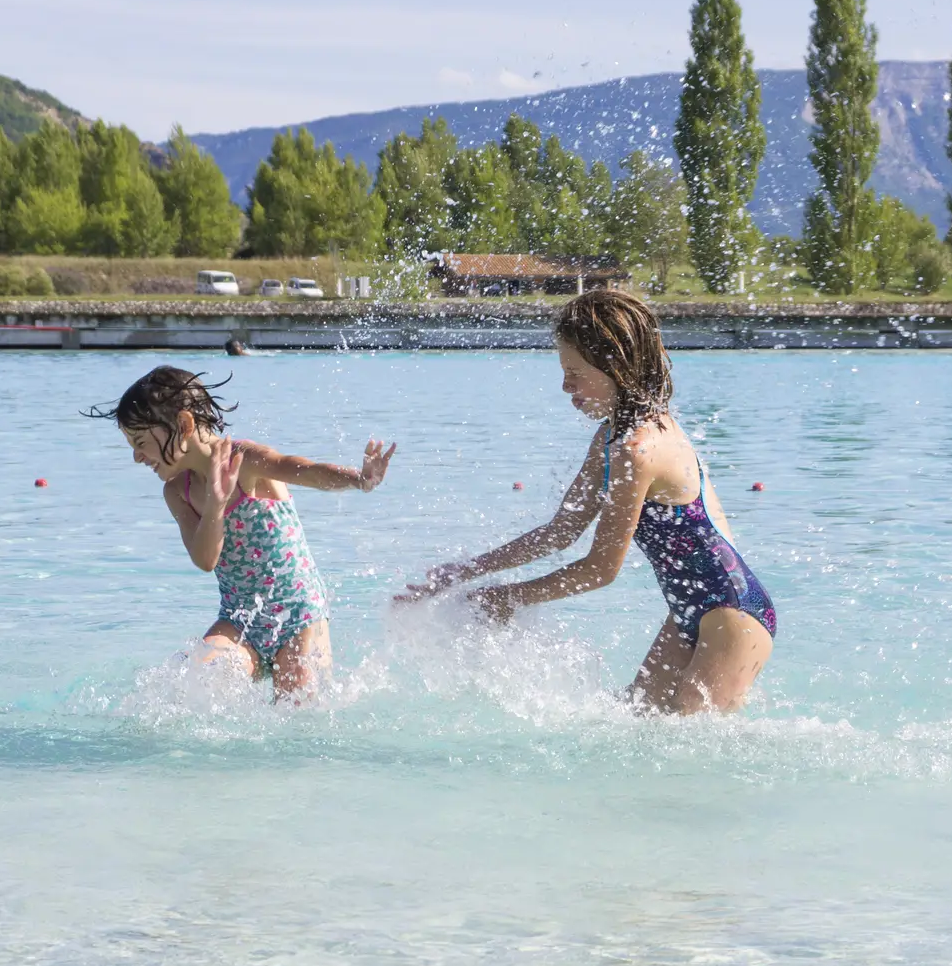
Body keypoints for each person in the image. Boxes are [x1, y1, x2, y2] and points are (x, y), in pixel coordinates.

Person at [398, 290, 776, 715]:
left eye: (574, 372)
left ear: (615, 365)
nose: (565, 387)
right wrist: (466, 570)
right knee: (641, 731)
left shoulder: (639, 448)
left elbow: (601, 570)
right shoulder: (611, 439)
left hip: (732, 614)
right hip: (692, 614)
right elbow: (562, 531)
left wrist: (510, 597)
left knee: (694, 754)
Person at [87, 366, 396, 700]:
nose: (136, 457)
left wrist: (358, 479)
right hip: (238, 621)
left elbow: (304, 470)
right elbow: (206, 560)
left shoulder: (244, 461)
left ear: (184, 425)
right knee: (187, 686)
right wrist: (216, 505)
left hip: (300, 617)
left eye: (141, 442)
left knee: (300, 723)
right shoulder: (178, 492)